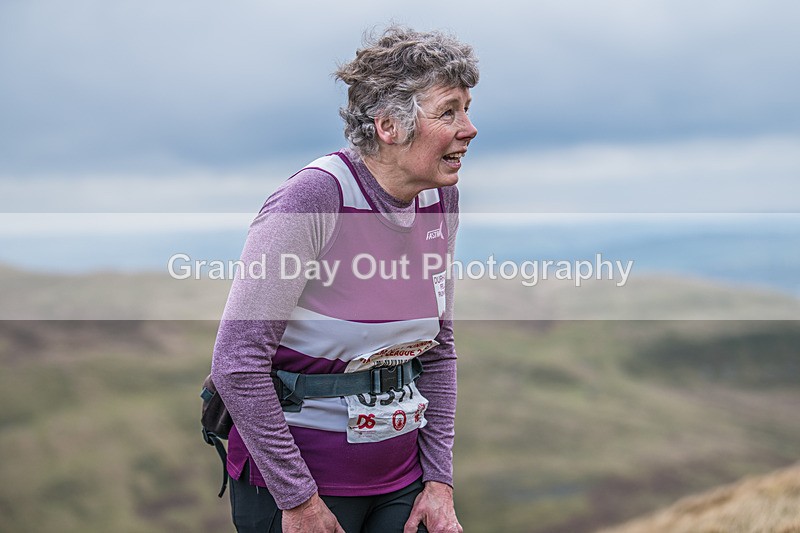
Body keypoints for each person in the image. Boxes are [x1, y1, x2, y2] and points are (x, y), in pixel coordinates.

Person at [211, 25, 478, 533]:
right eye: (449, 111)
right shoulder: (313, 198)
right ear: (388, 126)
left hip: (404, 484)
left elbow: (438, 349)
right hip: (300, 491)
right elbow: (237, 364)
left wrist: (439, 482)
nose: (469, 128)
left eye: (467, 108)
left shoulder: (440, 197)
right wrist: (299, 502)